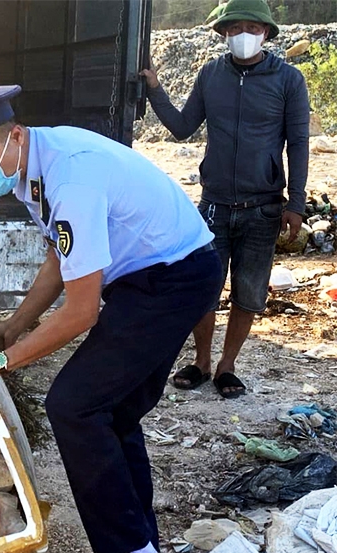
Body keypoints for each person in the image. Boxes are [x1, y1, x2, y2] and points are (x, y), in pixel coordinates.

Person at [0, 86, 220, 553]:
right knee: (111, 411)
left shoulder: (70, 176)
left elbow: (81, 311)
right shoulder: (31, 164)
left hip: (172, 279)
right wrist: (16, 323)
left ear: (13, 134)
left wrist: (1, 360)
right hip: (151, 276)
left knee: (75, 406)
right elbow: (62, 255)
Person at [140, 0, 309, 399]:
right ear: (222, 33)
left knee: (249, 293)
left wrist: (296, 203)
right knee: (204, 287)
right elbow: (182, 128)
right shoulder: (211, 74)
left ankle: (227, 365)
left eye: (251, 27)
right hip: (214, 205)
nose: (242, 36)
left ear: (266, 32)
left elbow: (299, 144)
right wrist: (155, 90)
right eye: (233, 29)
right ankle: (201, 360)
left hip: (264, 207)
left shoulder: (288, 80)